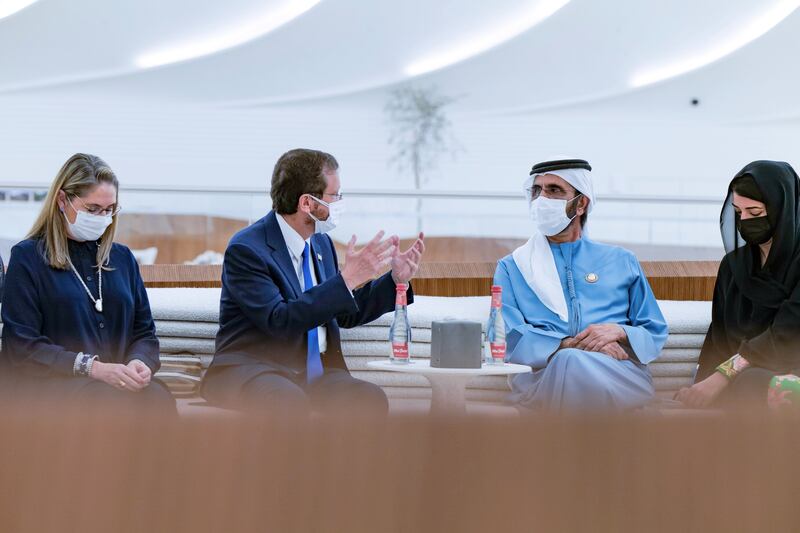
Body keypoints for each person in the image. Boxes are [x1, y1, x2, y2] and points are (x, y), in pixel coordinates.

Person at [201, 148, 424, 418]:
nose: (341, 202)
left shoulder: (321, 243)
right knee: (287, 401)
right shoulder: (247, 249)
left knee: (369, 399)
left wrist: (395, 281)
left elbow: (342, 312)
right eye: (335, 195)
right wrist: (347, 279)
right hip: (255, 368)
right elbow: (279, 320)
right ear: (307, 203)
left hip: (314, 374)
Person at [0, 153, 175, 413]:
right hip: (53, 384)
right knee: (107, 403)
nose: (102, 217)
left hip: (114, 384)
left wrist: (140, 362)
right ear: (62, 200)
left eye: (109, 210)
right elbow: (21, 346)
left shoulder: (122, 258)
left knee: (158, 398)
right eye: (92, 210)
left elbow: (145, 333)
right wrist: (93, 368)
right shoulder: (29, 257)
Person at [493, 158, 668, 412]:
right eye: (537, 190)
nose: (542, 199)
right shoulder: (513, 267)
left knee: (572, 361)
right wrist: (569, 344)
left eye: (554, 190)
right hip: (543, 378)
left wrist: (619, 331)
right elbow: (508, 336)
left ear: (581, 203)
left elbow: (654, 332)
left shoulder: (621, 260)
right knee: (569, 360)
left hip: (618, 373)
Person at [676, 160, 800, 410]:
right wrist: (699, 388)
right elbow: (719, 336)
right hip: (741, 376)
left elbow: (787, 333)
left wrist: (723, 376)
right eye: (737, 211)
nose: (744, 220)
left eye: (754, 213)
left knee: (751, 383)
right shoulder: (733, 266)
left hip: (787, 368)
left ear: (782, 210)